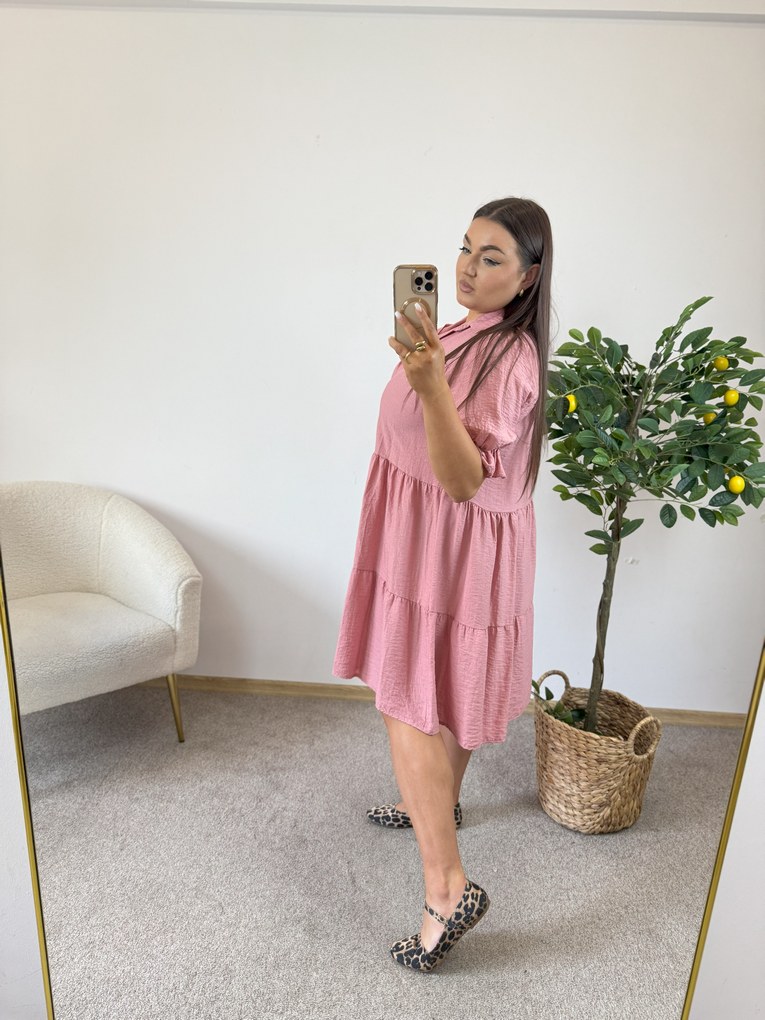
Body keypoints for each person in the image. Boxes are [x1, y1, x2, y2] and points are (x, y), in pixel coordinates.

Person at [333, 196, 552, 972]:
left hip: (451, 542)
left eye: (491, 258)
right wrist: (427, 364)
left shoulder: (509, 358)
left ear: (526, 278)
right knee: (439, 686)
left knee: (406, 698)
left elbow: (461, 480)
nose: (466, 267)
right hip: (421, 531)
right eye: (464, 248)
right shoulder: (460, 331)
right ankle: (434, 800)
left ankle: (445, 886)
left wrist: (426, 386)